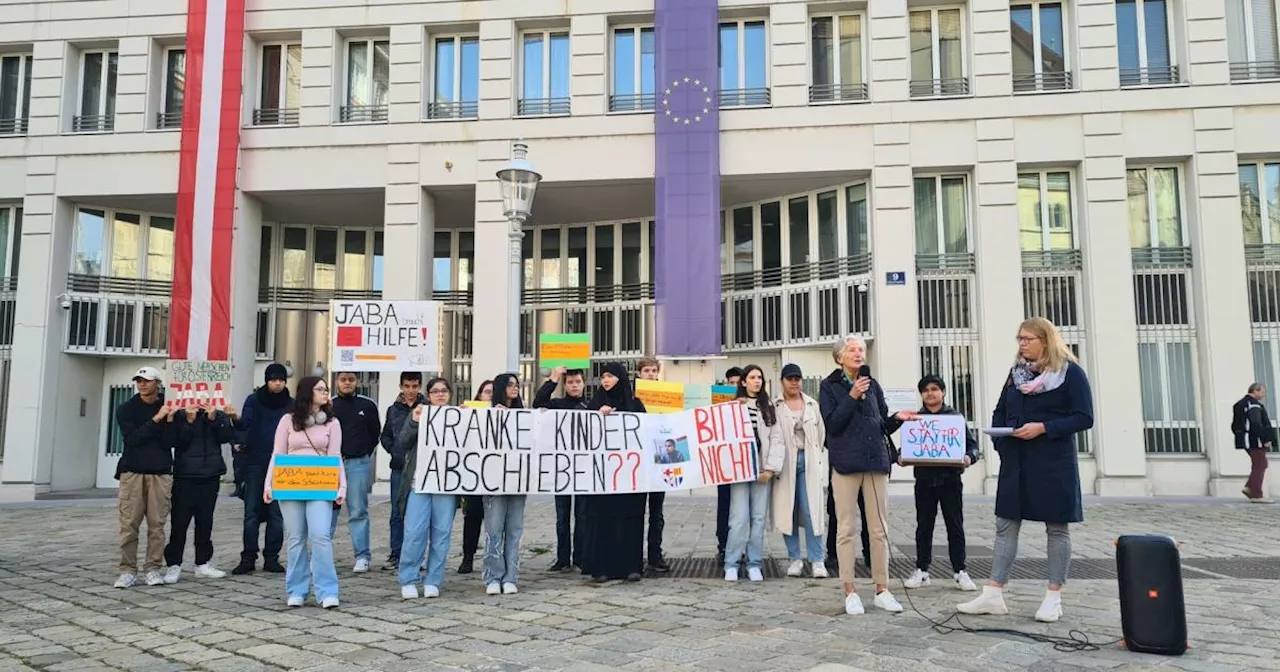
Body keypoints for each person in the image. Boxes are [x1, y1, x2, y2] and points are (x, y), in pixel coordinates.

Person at [958, 317, 1094, 623]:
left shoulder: (1070, 374)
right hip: (1017, 461)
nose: (1021, 344)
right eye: (1019, 338)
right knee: (1005, 524)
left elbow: (1084, 417)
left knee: (1057, 528)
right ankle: (994, 592)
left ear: (1045, 340)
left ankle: (1053, 597)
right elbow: (999, 410)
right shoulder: (1015, 374)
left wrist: (1043, 428)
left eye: (1027, 339)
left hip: (1054, 463)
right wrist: (1002, 444)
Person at [820, 334, 914, 615]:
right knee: (845, 529)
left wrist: (897, 419)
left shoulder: (873, 386)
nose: (859, 353)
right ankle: (849, 590)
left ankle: (882, 588)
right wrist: (851, 396)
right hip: (846, 464)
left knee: (878, 529)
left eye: (861, 349)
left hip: (875, 463)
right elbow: (833, 425)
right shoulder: (829, 386)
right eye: (852, 350)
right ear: (840, 357)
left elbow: (881, 424)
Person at [265, 376, 346, 608]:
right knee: (295, 537)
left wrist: (342, 485)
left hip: (321, 484)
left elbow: (335, 456)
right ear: (307, 392)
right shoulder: (287, 421)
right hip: (290, 483)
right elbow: (277, 454)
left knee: (320, 535)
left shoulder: (332, 423)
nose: (325, 392)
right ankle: (297, 589)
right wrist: (268, 483)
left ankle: (327, 590)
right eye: (320, 389)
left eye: (326, 389)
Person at [901, 374, 980, 592]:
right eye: (925, 390)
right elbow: (908, 447)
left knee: (955, 526)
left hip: (950, 480)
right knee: (923, 527)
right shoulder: (915, 419)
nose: (930, 393)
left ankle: (960, 570)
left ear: (943, 392)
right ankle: (922, 569)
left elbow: (973, 447)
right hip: (924, 481)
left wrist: (968, 458)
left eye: (934, 389)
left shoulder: (955, 418)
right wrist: (901, 457)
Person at [580, 363, 648, 582]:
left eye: (610, 376)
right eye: (602, 377)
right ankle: (602, 567)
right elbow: (584, 433)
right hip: (605, 475)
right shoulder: (595, 404)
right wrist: (598, 417)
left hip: (630, 474)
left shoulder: (635, 404)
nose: (605, 380)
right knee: (603, 519)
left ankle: (631, 566)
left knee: (631, 518)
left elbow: (645, 431)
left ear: (620, 378)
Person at [113, 367, 177, 588]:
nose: (142, 384)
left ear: (157, 383)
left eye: (147, 381)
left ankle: (153, 568)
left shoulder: (168, 407)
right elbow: (133, 439)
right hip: (132, 471)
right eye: (139, 380)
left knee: (156, 524)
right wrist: (157, 420)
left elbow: (170, 442)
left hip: (160, 471)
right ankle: (127, 570)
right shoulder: (126, 409)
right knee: (129, 523)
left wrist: (167, 421)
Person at [395, 377, 458, 598]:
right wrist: (414, 421)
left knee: (441, 533)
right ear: (428, 395)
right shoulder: (420, 413)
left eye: (444, 390)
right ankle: (409, 578)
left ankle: (433, 579)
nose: (440, 394)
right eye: (435, 391)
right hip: (419, 483)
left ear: (449, 394)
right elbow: (402, 442)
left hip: (446, 485)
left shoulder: (459, 417)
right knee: (414, 532)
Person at [163, 401, 236, 584]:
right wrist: (189, 420)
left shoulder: (216, 412)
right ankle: (174, 564)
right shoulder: (179, 413)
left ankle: (203, 563)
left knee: (205, 521)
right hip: (185, 474)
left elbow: (226, 436)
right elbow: (172, 441)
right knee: (179, 522)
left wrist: (213, 419)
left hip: (210, 474)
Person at [725, 365, 785, 582]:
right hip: (739, 470)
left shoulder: (768, 407)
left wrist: (770, 468)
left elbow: (777, 439)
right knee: (739, 518)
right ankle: (731, 563)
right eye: (752, 377)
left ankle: (754, 563)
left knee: (758, 518)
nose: (757, 381)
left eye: (760, 377)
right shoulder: (733, 405)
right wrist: (732, 407)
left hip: (761, 470)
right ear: (743, 382)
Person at [231, 364, 290, 575]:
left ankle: (272, 558)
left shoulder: (290, 404)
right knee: (251, 512)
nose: (278, 383)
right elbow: (244, 426)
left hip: (282, 465)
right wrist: (235, 420)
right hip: (255, 462)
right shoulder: (253, 400)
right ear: (267, 380)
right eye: (274, 379)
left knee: (277, 514)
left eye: (281, 379)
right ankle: (248, 557)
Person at [772, 363, 829, 579]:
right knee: (789, 510)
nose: (794, 382)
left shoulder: (812, 404)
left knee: (811, 510)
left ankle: (817, 559)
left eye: (797, 378)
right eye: (790, 378)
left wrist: (814, 455)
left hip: (809, 461)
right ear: (782, 381)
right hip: (786, 462)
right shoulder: (775, 405)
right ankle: (794, 558)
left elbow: (820, 434)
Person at [532, 366, 589, 572]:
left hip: (583, 470)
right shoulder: (556, 404)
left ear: (583, 383)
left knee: (582, 516)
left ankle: (580, 558)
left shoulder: (590, 406)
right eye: (570, 382)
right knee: (562, 516)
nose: (574, 386)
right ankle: (562, 558)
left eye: (578, 382)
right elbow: (538, 402)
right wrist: (553, 378)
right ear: (565, 385)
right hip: (561, 469)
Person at [332, 371, 382, 573]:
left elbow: (374, 432)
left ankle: (362, 556)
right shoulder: (329, 405)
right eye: (343, 380)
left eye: (351, 380)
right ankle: (321, 554)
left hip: (357, 463)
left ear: (357, 382)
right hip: (331, 464)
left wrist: (364, 453)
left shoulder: (367, 405)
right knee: (327, 511)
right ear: (337, 381)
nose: (347, 383)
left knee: (358, 510)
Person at [483, 373, 528, 595]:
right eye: (510, 384)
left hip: (518, 479)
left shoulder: (523, 415)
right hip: (493, 479)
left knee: (514, 529)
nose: (515, 388)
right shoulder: (486, 414)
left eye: (517, 384)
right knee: (494, 529)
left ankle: (511, 575)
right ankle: (493, 575)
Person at [380, 371, 424, 571]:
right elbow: (385, 435)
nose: (411, 391)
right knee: (397, 512)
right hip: (399, 466)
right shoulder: (393, 409)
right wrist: (395, 451)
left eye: (415, 386)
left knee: (419, 513)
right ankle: (396, 552)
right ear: (401, 387)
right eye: (407, 386)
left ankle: (417, 554)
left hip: (421, 467)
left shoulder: (427, 407)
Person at [634, 357, 671, 573]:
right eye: (646, 370)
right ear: (639, 373)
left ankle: (655, 555)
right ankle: (635, 555)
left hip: (659, 460)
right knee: (637, 512)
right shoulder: (632, 397)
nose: (650, 374)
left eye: (653, 370)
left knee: (657, 513)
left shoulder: (666, 395)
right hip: (639, 461)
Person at [457, 380, 493, 574]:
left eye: (493, 392)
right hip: (475, 474)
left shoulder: (508, 413)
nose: (489, 395)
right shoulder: (469, 413)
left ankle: (493, 558)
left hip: (496, 474)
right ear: (479, 395)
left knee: (495, 520)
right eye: (486, 392)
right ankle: (467, 557)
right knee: (472, 516)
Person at [716, 366, 745, 565]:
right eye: (731, 383)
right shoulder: (719, 404)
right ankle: (723, 545)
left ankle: (741, 546)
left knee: (742, 508)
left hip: (743, 464)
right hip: (724, 463)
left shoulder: (750, 403)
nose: (734, 386)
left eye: (737, 382)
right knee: (724, 504)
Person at [1233, 383, 1274, 503]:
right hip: (1254, 440)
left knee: (1261, 464)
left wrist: (1239, 435)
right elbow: (1256, 423)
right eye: (1262, 392)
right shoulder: (1253, 405)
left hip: (1245, 439)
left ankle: (1249, 487)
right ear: (1255, 391)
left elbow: (1235, 424)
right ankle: (1256, 494)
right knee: (1260, 465)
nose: (1264, 395)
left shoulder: (1239, 404)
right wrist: (1265, 439)